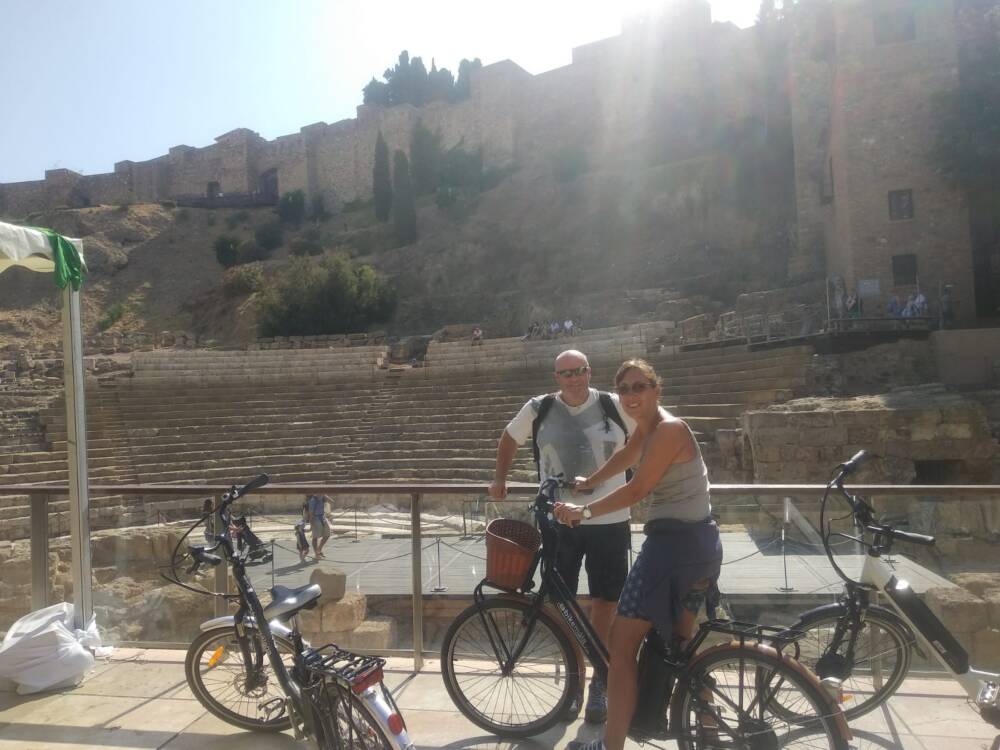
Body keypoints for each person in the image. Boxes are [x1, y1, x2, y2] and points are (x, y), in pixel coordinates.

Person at [555, 359, 723, 750]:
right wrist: (589, 483)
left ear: (656, 389)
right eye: (624, 388)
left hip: (673, 550)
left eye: (639, 387)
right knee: (683, 648)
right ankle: (711, 732)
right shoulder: (648, 429)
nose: (631, 395)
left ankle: (611, 745)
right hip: (697, 546)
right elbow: (625, 458)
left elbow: (637, 490)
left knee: (621, 645)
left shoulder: (668, 430)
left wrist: (585, 511)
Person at [489, 350, 635, 724]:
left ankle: (599, 682)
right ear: (556, 377)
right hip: (558, 521)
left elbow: (643, 442)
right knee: (564, 603)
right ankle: (574, 682)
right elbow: (509, 438)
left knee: (606, 601)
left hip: (610, 519)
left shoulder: (614, 405)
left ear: (590, 371)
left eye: (580, 371)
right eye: (566, 373)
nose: (574, 378)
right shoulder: (539, 409)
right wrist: (500, 478)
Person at [306, 494, 332, 559]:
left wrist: (326, 496)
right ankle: (316, 553)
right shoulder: (313, 500)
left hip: (323, 517)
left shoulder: (323, 497)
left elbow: (332, 502)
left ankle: (319, 549)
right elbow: (311, 514)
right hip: (315, 519)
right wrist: (311, 525)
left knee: (327, 534)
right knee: (315, 537)